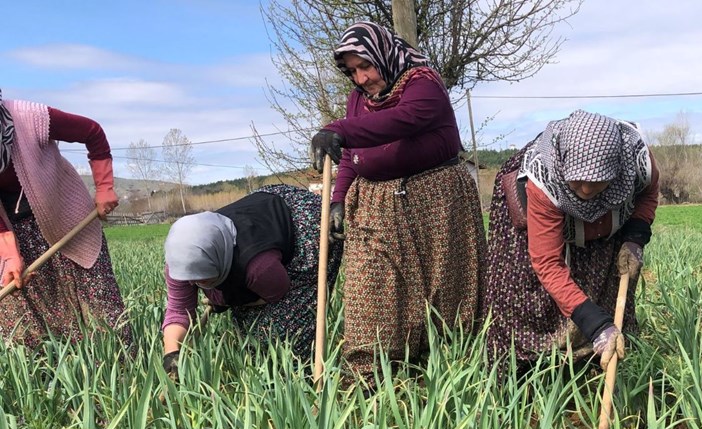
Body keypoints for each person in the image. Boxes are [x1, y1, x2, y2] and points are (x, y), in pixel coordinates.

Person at [309, 21, 486, 379]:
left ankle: (451, 369)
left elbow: (401, 121)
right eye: (353, 71)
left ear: (384, 55)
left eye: (366, 66)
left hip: (436, 199)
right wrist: (338, 199)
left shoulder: (424, 84)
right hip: (374, 203)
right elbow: (352, 156)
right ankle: (368, 373)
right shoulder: (358, 99)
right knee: (370, 284)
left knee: (446, 288)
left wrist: (339, 129)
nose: (361, 79)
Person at [484, 110, 660, 371]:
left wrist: (635, 237)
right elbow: (547, 263)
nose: (587, 190)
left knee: (604, 283)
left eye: (598, 182)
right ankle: (530, 368)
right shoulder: (543, 178)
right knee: (531, 298)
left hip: (602, 230)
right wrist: (595, 324)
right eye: (578, 182)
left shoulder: (636, 163)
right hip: (535, 227)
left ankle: (590, 361)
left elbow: (648, 194)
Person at [161, 184, 342, 371]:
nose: (192, 284)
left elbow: (277, 292)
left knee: (285, 328)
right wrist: (171, 353)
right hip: (259, 217)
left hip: (307, 225)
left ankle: (300, 374)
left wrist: (225, 299)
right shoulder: (180, 262)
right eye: (189, 278)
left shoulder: (259, 268)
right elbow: (178, 311)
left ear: (217, 263)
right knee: (248, 334)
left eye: (201, 278)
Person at [0, 91, 131, 349]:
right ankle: (48, 382)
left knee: (99, 306)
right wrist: (9, 254)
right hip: (14, 231)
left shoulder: (30, 117)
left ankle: (120, 376)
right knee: (18, 310)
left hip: (68, 221)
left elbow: (93, 132)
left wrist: (104, 187)